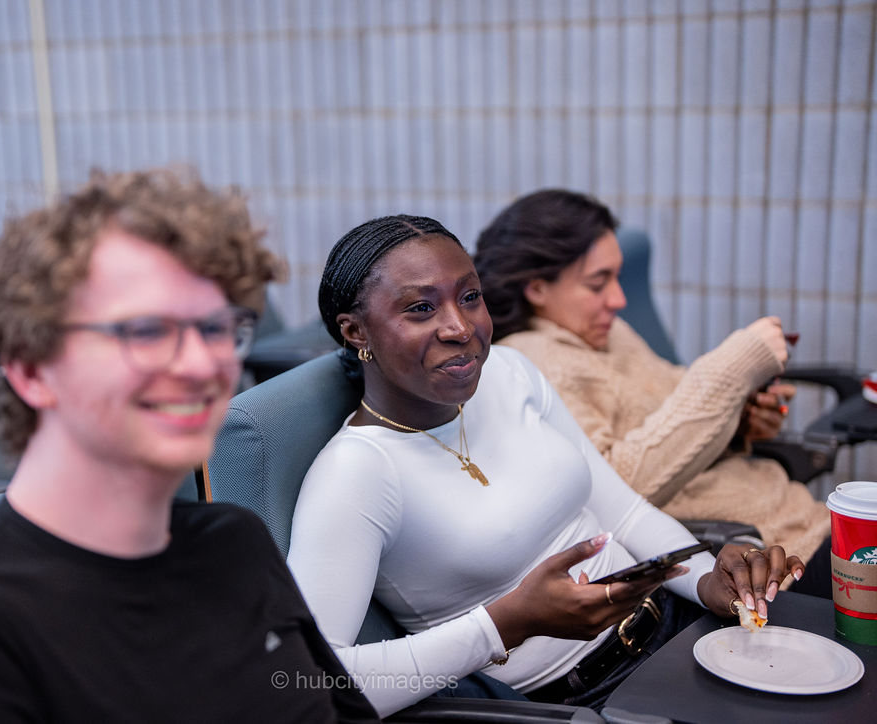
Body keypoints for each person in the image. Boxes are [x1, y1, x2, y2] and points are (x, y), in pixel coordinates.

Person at [0, 168, 379, 724]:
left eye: (216, 329)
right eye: (146, 331)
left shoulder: (234, 541)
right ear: (31, 370)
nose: (201, 365)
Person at [287, 214, 805, 717]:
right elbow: (311, 682)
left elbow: (622, 513)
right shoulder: (355, 473)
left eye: (470, 297)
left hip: (681, 624)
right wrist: (506, 624)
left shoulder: (509, 372)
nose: (461, 327)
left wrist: (706, 581)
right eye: (421, 308)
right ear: (356, 331)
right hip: (588, 699)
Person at [472, 188, 830, 595]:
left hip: (803, 518)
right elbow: (614, 494)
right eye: (598, 283)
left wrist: (740, 420)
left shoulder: (608, 332)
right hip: (772, 558)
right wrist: (731, 372)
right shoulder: (534, 363)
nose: (619, 299)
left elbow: (677, 415)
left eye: (617, 277)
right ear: (536, 288)